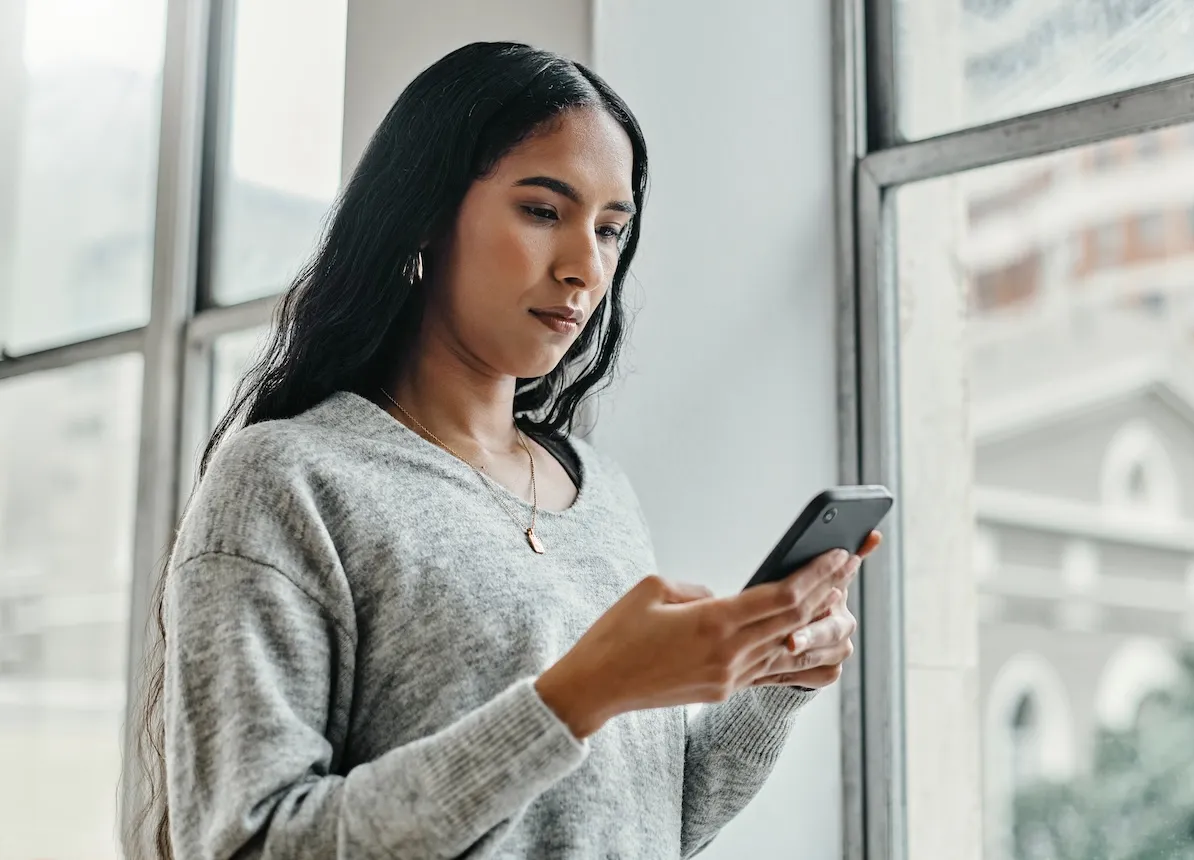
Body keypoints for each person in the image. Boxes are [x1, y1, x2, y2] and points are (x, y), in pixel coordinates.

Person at [127, 42, 880, 860]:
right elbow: (249, 845)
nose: (585, 268)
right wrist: (580, 694)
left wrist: (773, 683)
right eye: (543, 212)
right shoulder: (289, 480)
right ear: (423, 214)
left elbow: (646, 824)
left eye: (611, 229)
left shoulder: (603, 494)